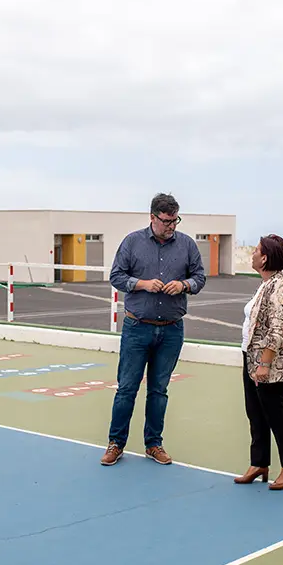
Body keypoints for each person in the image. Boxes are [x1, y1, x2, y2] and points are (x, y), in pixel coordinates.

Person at [100, 193, 207, 467]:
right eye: (167, 221)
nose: (172, 226)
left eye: (175, 220)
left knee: (159, 390)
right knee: (127, 388)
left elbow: (199, 277)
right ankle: (116, 443)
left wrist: (184, 285)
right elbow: (116, 276)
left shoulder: (187, 245)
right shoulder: (132, 242)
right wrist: (143, 284)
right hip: (137, 328)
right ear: (152, 217)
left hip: (171, 330)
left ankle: (154, 444)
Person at [234, 234, 283, 490]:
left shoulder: (281, 287)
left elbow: (277, 330)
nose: (252, 254)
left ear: (264, 258)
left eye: (256, 250)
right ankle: (259, 463)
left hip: (268, 363)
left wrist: (264, 365)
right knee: (255, 413)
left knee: (276, 414)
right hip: (250, 357)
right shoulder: (266, 284)